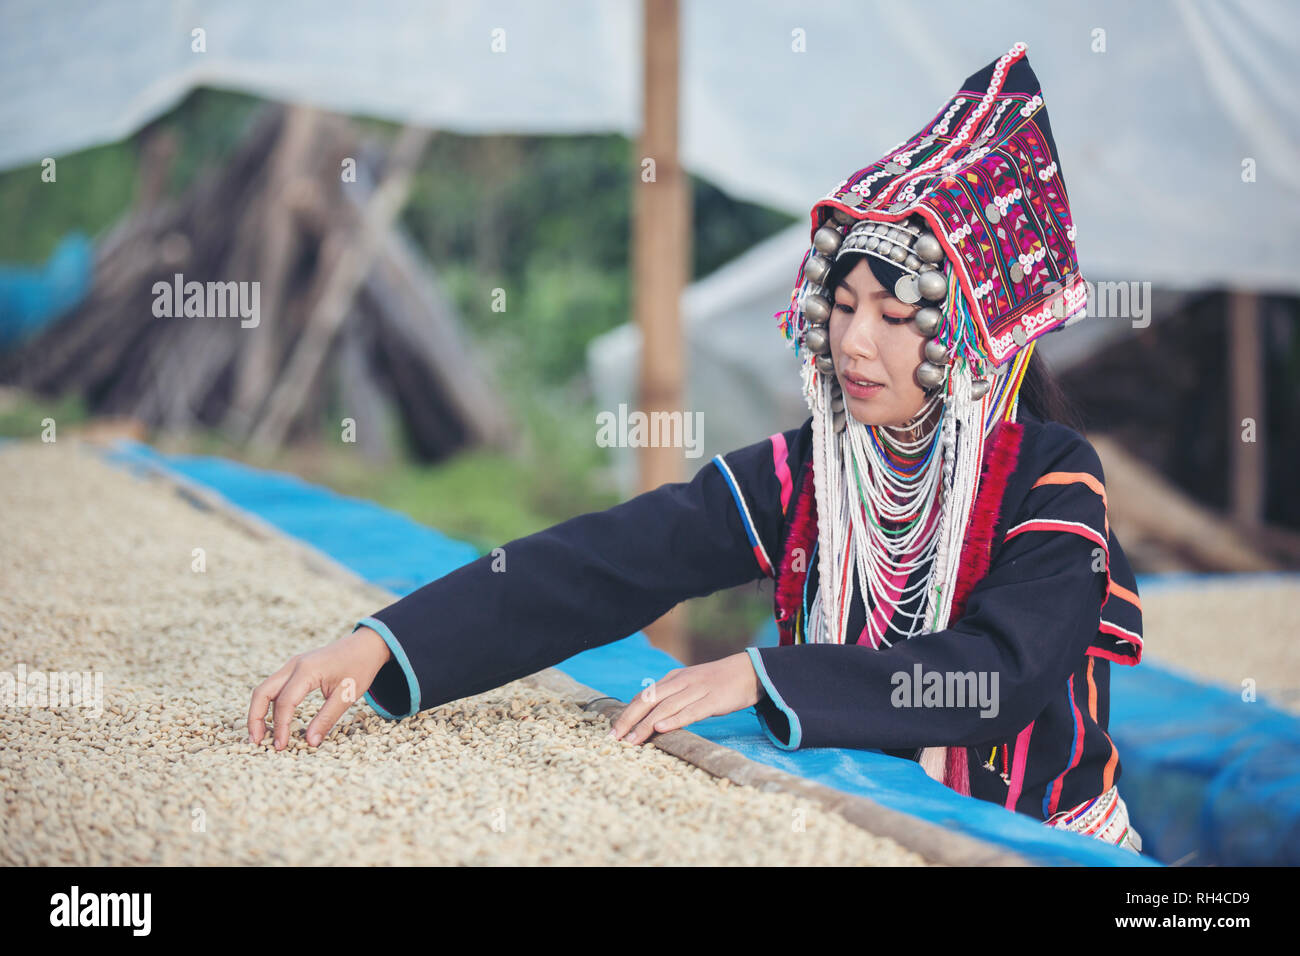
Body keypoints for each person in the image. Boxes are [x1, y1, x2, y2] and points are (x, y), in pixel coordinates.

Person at [248, 41, 1143, 853]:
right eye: (842, 306)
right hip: (861, 833)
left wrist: (762, 677)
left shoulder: (1050, 481)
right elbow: (604, 564)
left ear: (980, 334)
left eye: (898, 317)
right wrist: (381, 646)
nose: (855, 343)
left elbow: (997, 680)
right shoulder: (814, 472)